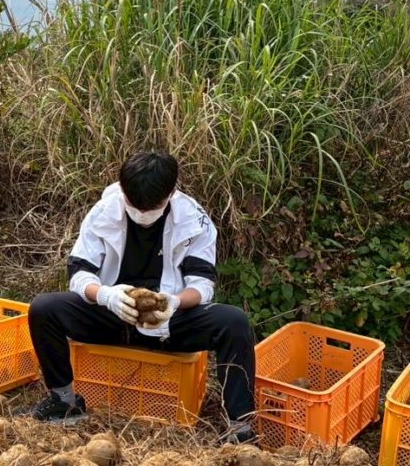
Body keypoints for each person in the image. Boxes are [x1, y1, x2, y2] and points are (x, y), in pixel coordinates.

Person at [27, 150, 255, 441]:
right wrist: (105, 295)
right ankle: (64, 401)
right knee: (45, 308)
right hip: (112, 315)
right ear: (122, 189)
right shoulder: (104, 211)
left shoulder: (194, 220)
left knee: (233, 322)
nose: (143, 214)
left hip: (167, 322)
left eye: (153, 207)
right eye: (135, 206)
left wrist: (174, 303)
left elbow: (202, 283)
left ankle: (241, 427)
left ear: (172, 192)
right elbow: (79, 274)